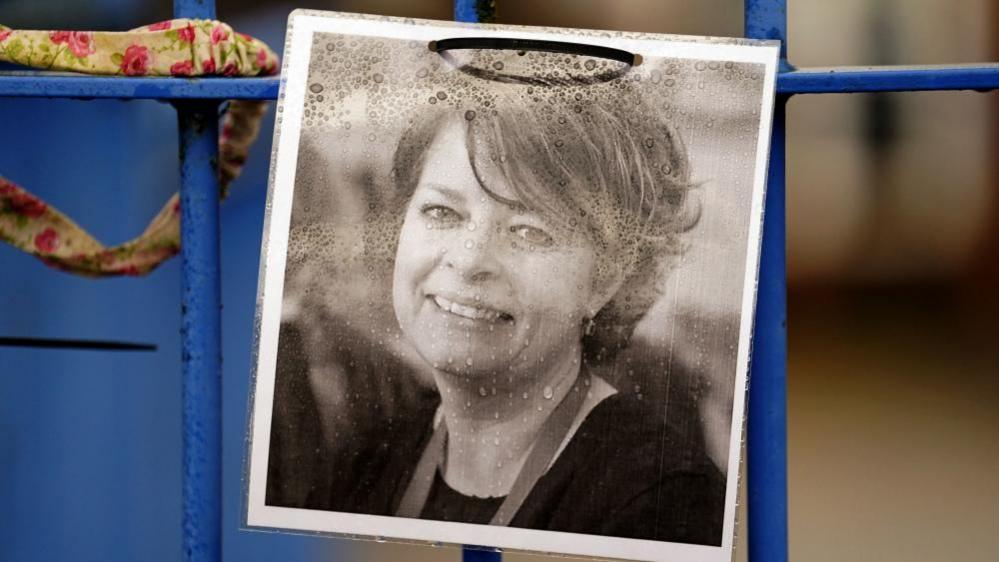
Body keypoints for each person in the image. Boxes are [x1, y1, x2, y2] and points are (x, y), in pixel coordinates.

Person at [268, 80, 725, 546]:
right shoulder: (367, 463)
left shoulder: (661, 498)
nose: (468, 260)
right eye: (442, 211)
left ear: (606, 280)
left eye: (529, 231)